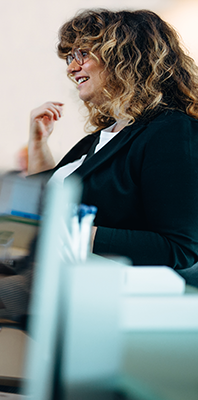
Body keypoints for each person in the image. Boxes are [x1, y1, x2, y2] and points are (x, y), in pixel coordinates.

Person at [28, 9, 198, 275]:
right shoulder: (101, 138)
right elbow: (46, 202)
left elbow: (178, 248)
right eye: (70, 57)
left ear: (125, 57)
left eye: (83, 53)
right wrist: (39, 145)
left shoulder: (171, 131)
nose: (72, 68)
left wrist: (71, 230)